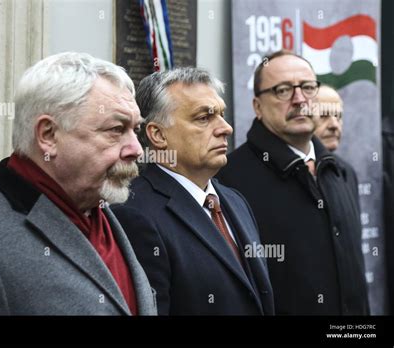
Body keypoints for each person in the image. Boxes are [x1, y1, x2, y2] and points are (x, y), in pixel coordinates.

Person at [0, 52, 157, 315]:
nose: (136, 149)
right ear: (48, 135)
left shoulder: (108, 216)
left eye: (134, 130)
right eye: (116, 130)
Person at [217, 50, 369, 315]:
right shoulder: (228, 180)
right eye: (283, 90)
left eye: (308, 88)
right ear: (257, 106)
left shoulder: (342, 172)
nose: (299, 100)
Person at [112, 67, 275, 315]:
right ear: (158, 135)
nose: (226, 128)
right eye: (204, 118)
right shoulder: (135, 213)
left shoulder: (235, 201)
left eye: (222, 115)